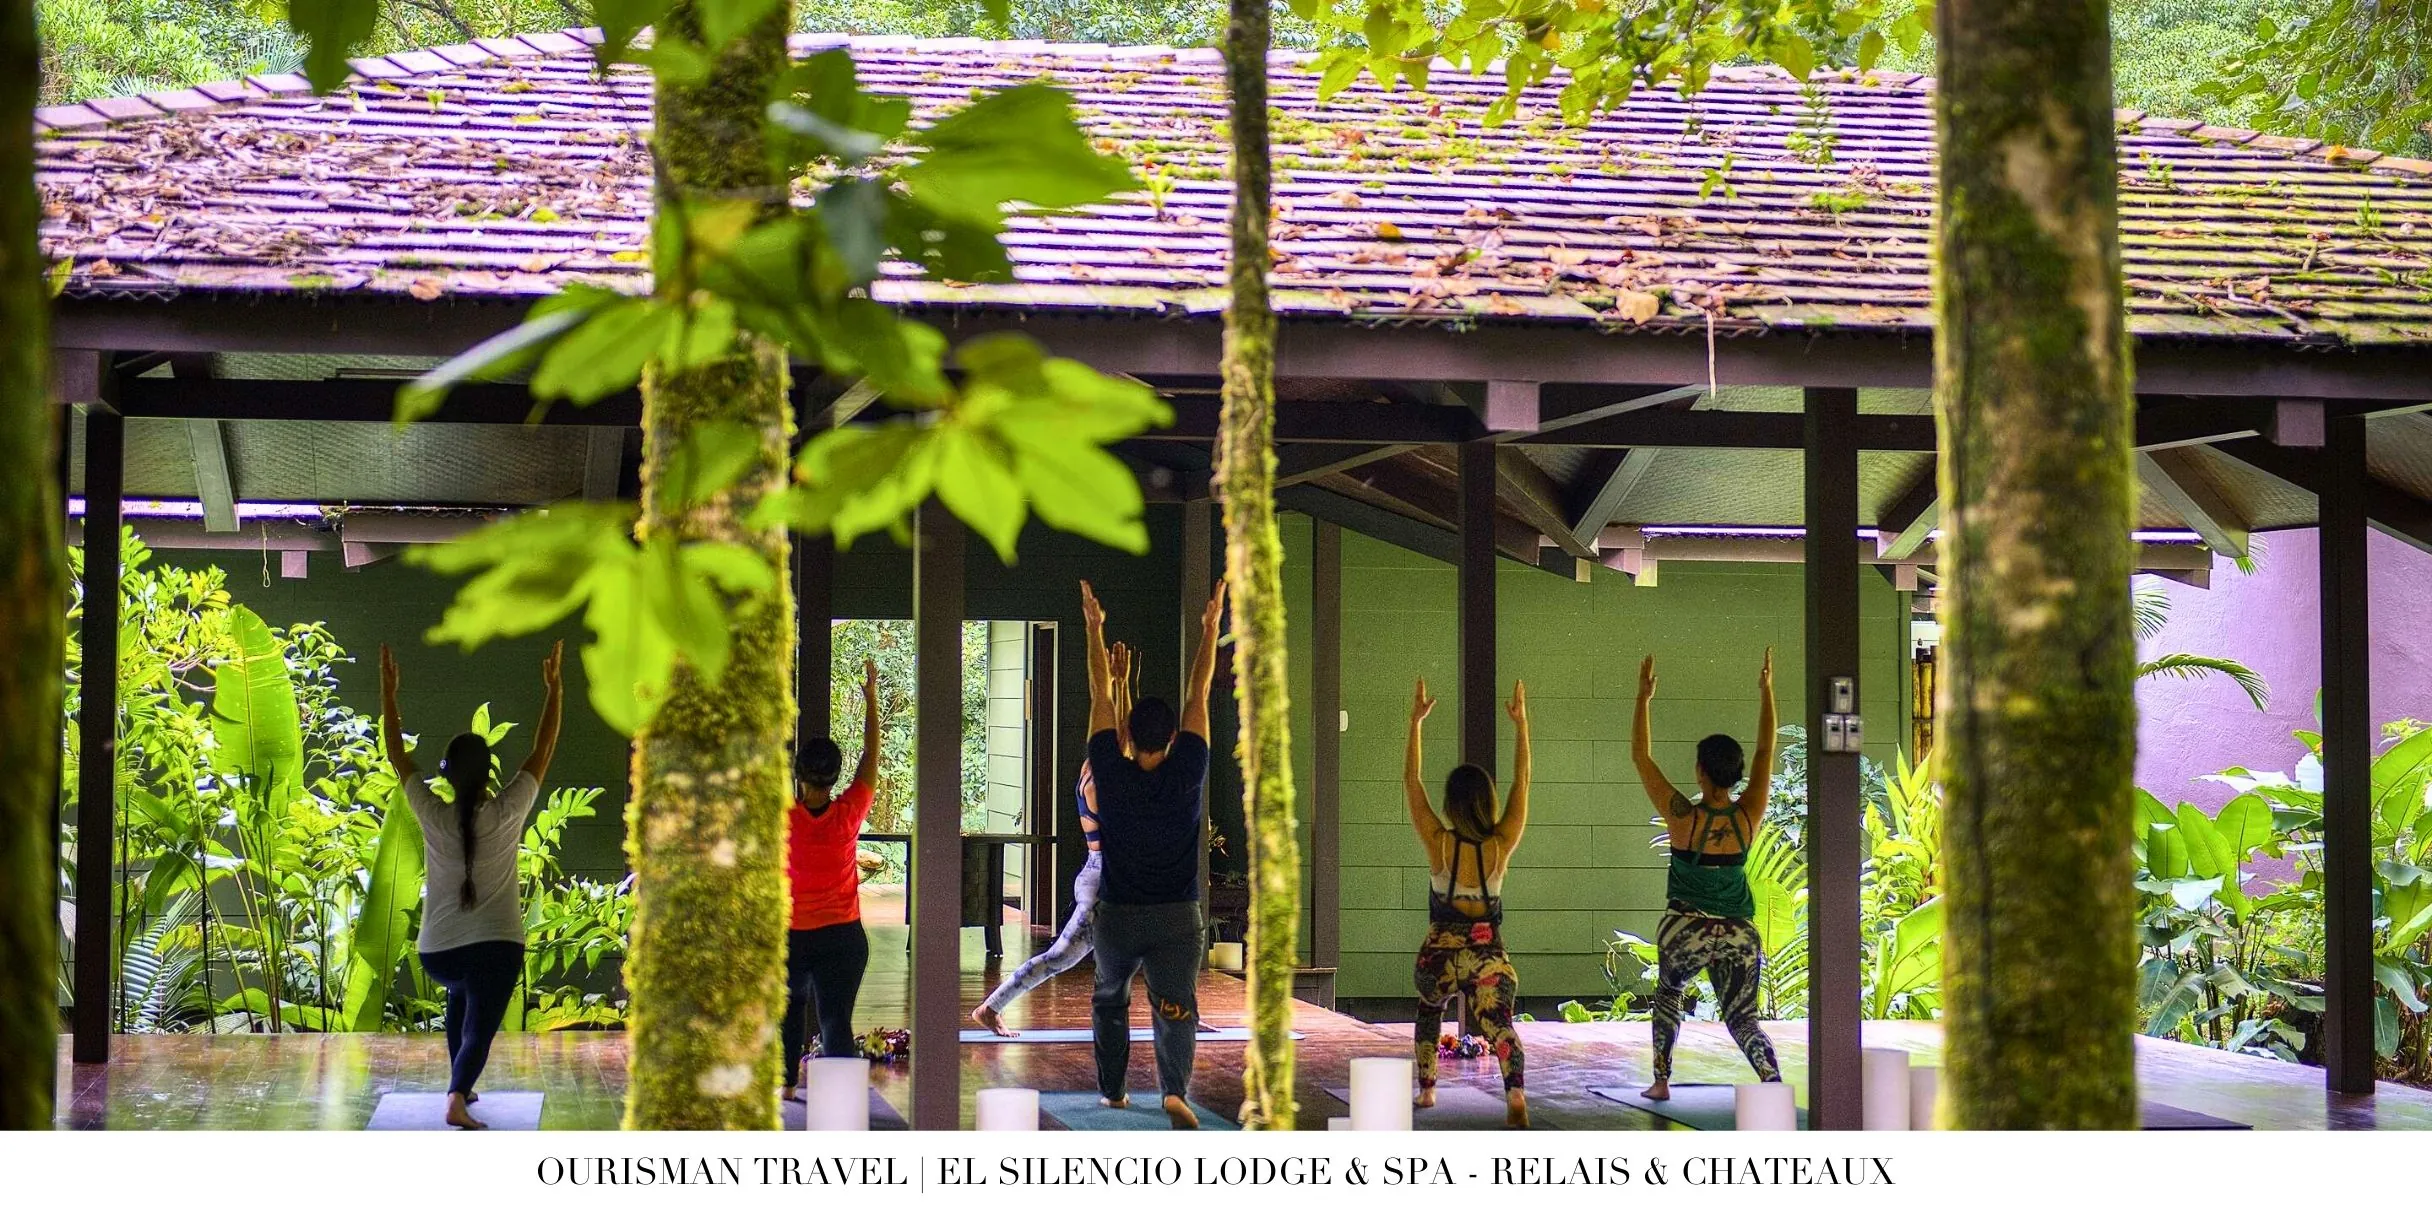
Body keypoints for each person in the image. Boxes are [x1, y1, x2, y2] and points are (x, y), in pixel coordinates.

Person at [378, 640, 563, 1131]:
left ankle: (462, 1083)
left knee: (460, 997)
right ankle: (457, 1096)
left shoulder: (432, 812)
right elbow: (542, 750)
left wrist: (389, 692)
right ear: (487, 775)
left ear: (450, 775)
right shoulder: (508, 809)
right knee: (480, 1019)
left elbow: (397, 754)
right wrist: (554, 689)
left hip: (437, 954)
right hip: (496, 949)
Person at [1080, 578, 1224, 1129]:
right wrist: (1210, 630)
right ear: (1169, 742)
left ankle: (1114, 1093)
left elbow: (1098, 693)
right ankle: (1172, 1091)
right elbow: (1199, 695)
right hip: (1177, 918)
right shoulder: (1188, 770)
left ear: (1129, 737)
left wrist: (1095, 629)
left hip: (1118, 915)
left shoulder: (1111, 772)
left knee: (1109, 999)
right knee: (1175, 1005)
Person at [1633, 648, 1783, 1101]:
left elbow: (1641, 757)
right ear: (1736, 775)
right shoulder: (1749, 814)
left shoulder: (1684, 819)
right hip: (1739, 934)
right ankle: (1772, 1083)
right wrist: (1767, 692)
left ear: (1700, 772)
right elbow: (1765, 748)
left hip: (1686, 928)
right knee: (1743, 1018)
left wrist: (1643, 699)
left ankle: (1661, 1081)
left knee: (1669, 994)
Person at [972, 641, 1139, 1036]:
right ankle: (992, 1007)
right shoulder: (1101, 783)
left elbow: (1121, 736)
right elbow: (1124, 745)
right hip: (1103, 881)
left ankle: (1185, 1012)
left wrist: (1121, 684)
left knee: (1147, 945)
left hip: (1104, 875)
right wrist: (1118, 685)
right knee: (1062, 957)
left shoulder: (1093, 765)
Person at [1403, 675, 1532, 1129]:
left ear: (1451, 805)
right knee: (1499, 1024)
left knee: (1428, 1008)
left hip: (1439, 957)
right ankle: (1514, 1091)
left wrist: (1416, 723)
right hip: (1487, 958)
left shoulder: (1439, 843)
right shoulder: (1499, 845)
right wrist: (1521, 725)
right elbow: (1522, 781)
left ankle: (1428, 1088)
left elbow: (1411, 780)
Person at [781, 658, 884, 1103]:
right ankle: (842, 1103)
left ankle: (787, 1086)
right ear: (833, 777)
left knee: (789, 1012)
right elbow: (871, 760)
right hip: (844, 938)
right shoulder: (848, 813)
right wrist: (871, 701)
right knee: (835, 1020)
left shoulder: (782, 818)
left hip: (793, 936)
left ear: (799, 776)